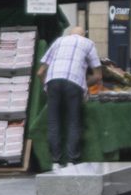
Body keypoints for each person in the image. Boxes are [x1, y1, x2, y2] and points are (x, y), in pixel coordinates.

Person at [37, 22, 102, 170]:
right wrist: (84, 82)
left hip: (53, 81)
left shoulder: (59, 41)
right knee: (74, 121)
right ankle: (72, 160)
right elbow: (98, 76)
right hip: (74, 83)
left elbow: (40, 72)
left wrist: (47, 86)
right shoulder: (88, 43)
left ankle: (55, 162)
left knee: (54, 121)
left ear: (69, 34)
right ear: (83, 35)